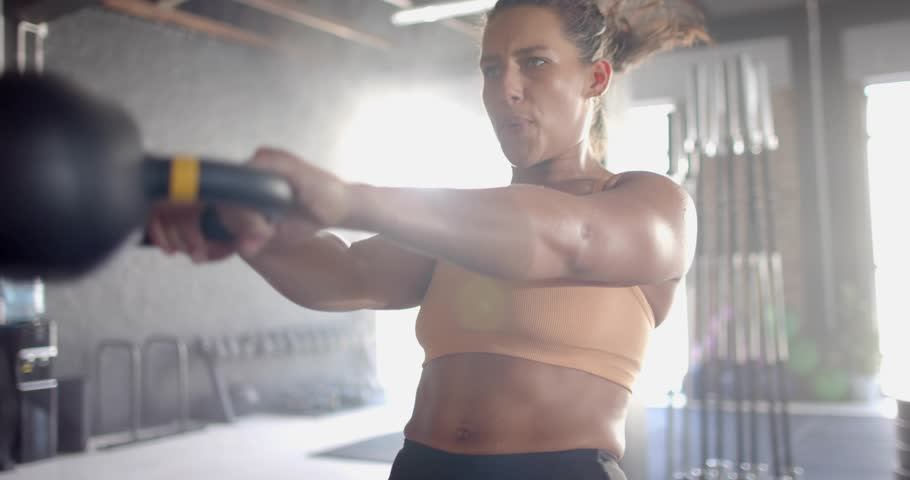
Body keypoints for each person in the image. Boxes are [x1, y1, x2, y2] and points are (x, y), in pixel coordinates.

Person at [149, 0, 706, 478]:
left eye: (533, 63)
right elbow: (348, 274)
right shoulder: (466, 226)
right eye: (492, 68)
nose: (505, 89)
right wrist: (251, 236)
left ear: (595, 79)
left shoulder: (654, 206)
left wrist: (348, 198)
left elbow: (568, 238)